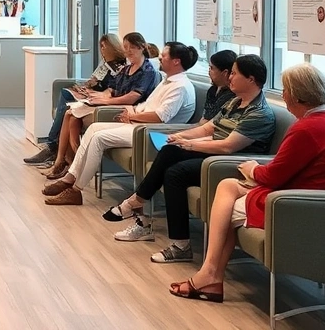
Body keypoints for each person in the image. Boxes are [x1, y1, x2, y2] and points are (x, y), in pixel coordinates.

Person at [169, 63, 325, 302]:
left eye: (285, 90)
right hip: (313, 194)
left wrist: (254, 169)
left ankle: (209, 275)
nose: (283, 95)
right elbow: (288, 167)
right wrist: (257, 172)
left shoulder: (307, 128)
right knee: (227, 186)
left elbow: (274, 175)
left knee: (226, 205)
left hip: (308, 204)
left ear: (297, 95)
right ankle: (210, 275)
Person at [104, 54, 276, 264]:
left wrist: (192, 145)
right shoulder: (234, 102)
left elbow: (228, 146)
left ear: (251, 79)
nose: (229, 77)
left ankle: (177, 243)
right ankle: (137, 205)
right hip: (214, 154)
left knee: (175, 174)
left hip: (230, 164)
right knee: (169, 151)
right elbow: (208, 127)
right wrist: (182, 137)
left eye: (234, 73)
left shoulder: (259, 113)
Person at [43, 42, 199, 206]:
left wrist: (133, 116)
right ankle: (69, 178)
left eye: (165, 55)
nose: (160, 57)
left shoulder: (180, 87)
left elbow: (160, 117)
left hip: (153, 133)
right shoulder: (167, 81)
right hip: (139, 124)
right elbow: (147, 106)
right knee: (94, 129)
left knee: (99, 138)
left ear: (176, 61)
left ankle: (76, 190)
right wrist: (131, 111)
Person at [42, 32, 159, 180]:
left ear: (142, 48)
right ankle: (64, 161)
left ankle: (71, 162)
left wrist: (105, 101)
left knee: (71, 116)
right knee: (69, 114)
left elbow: (132, 97)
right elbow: (112, 88)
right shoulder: (126, 69)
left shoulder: (147, 71)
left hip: (124, 108)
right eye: (126, 47)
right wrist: (97, 95)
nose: (128, 51)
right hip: (112, 102)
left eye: (132, 48)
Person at [24, 33, 126, 167]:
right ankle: (57, 151)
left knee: (67, 99)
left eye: (104, 46)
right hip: (94, 93)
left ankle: (53, 146)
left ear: (113, 47)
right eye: (100, 46)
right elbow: (98, 81)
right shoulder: (104, 64)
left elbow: (112, 88)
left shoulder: (120, 66)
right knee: (66, 94)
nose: (102, 49)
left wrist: (94, 90)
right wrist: (90, 84)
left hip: (101, 98)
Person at [203, 50, 237, 122]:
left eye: (212, 68)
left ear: (225, 72)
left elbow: (209, 122)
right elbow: (204, 118)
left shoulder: (232, 95)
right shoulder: (212, 89)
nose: (209, 71)